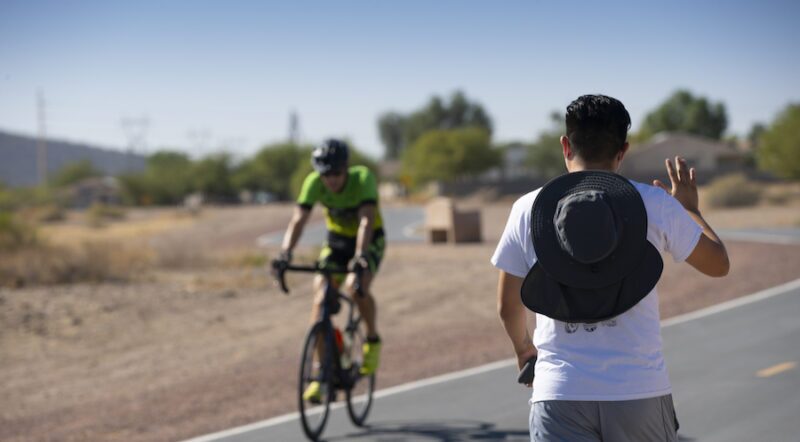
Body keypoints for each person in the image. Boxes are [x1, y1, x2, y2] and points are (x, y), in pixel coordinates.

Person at [492, 95, 730, 441]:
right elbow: (719, 265)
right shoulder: (654, 203)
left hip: (559, 392)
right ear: (623, 150)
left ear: (565, 145)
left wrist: (523, 349)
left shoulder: (528, 209)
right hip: (638, 390)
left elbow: (507, 306)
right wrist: (690, 210)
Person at [276, 138, 385, 403]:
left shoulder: (363, 178)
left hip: (368, 240)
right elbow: (298, 219)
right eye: (325, 174)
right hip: (336, 242)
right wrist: (285, 253)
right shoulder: (314, 182)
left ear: (345, 168)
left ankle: (372, 340)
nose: (331, 180)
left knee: (355, 288)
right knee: (320, 300)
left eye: (336, 173)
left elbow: (366, 220)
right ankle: (321, 374)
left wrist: (360, 256)